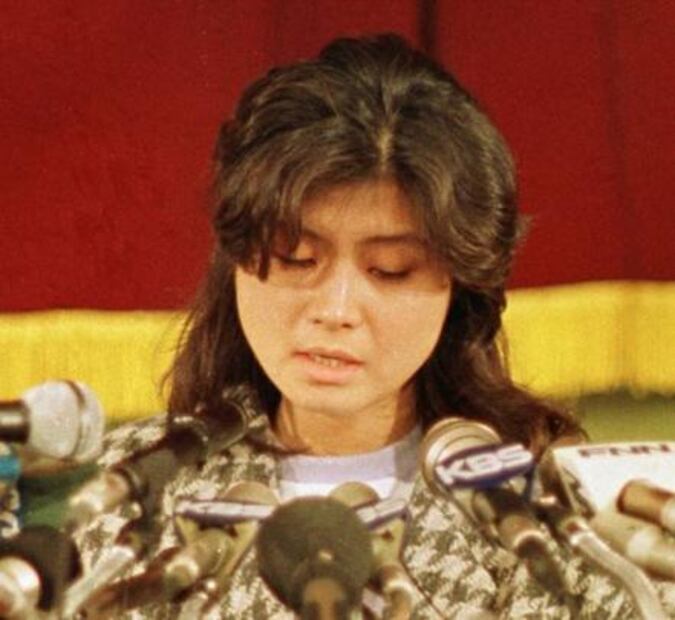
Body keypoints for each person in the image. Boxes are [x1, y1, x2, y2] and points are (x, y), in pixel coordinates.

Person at [74, 34, 675, 618]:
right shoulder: (132, 484)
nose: (336, 309)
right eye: (295, 258)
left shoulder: (550, 505)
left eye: (389, 271)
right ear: (235, 260)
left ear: (459, 289)